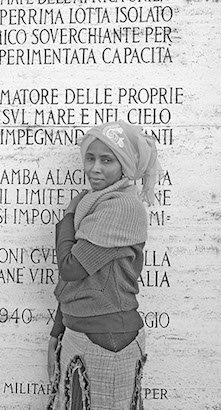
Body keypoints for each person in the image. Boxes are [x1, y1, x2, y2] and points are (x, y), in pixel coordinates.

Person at [46, 121, 162, 410]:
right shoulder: (96, 202)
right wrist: (57, 331)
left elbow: (71, 267)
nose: (94, 168)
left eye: (106, 160)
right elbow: (76, 284)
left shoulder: (120, 206)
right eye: (90, 158)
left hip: (109, 339)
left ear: (123, 165)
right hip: (82, 332)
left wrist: (70, 215)